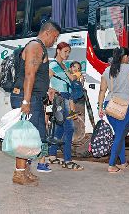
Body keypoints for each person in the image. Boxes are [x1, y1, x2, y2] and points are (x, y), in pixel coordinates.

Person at [10, 20, 61, 186]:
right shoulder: (35, 46)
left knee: (35, 137)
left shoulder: (40, 47)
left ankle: (25, 170)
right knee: (25, 136)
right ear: (47, 33)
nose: (54, 41)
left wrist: (47, 90)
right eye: (54, 37)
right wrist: (26, 101)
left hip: (34, 98)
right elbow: (29, 75)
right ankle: (18, 173)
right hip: (27, 99)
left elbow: (37, 77)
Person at [98, 47, 129, 173]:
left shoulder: (107, 70)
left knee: (120, 134)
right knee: (120, 135)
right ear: (124, 57)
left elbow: (102, 90)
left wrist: (100, 107)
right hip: (125, 105)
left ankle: (123, 162)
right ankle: (111, 164)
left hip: (110, 104)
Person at [48, 42, 84, 171]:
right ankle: (67, 160)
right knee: (69, 129)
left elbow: (71, 79)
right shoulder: (53, 64)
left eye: (69, 52)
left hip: (66, 99)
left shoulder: (63, 65)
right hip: (61, 98)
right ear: (58, 51)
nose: (67, 54)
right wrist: (50, 89)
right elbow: (45, 79)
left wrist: (78, 77)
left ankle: (52, 155)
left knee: (60, 128)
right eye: (65, 51)